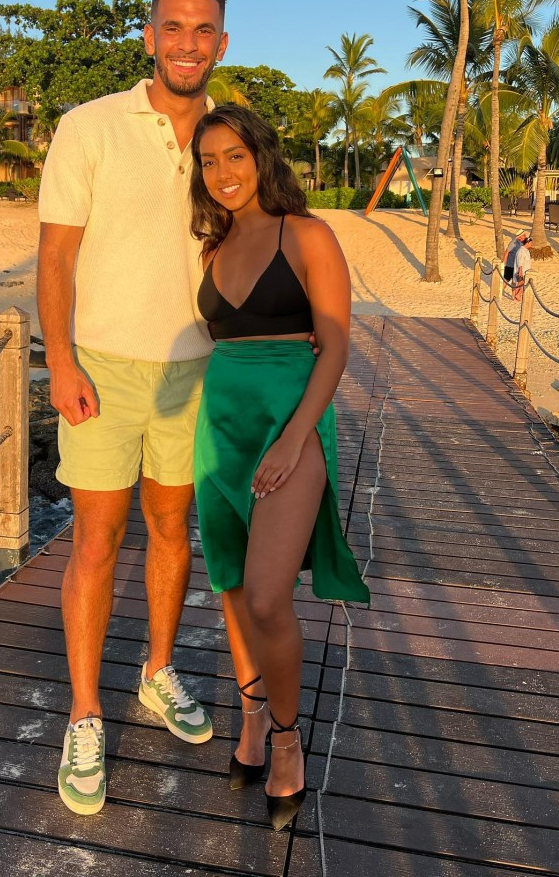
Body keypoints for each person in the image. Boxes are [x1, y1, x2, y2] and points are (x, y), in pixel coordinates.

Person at [36, 0, 229, 817]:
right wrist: (61, 363)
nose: (187, 43)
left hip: (197, 369)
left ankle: (156, 672)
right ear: (149, 36)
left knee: (170, 528)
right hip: (104, 367)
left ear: (221, 42)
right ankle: (84, 715)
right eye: (173, 27)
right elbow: (55, 257)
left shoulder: (232, 137)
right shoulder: (90, 126)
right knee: (96, 539)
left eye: (203, 30)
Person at [190, 105, 370, 831]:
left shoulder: (308, 234)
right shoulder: (210, 247)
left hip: (289, 426)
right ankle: (253, 718)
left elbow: (334, 345)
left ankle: (289, 740)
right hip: (219, 428)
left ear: (262, 155)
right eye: (208, 162)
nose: (223, 173)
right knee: (231, 587)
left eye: (235, 155)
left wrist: (298, 438)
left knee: (268, 597)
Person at [503, 229, 527, 294]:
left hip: (517, 265)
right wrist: (504, 263)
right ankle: (499, 292)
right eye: (524, 235)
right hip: (510, 264)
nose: (525, 236)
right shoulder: (514, 242)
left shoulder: (524, 243)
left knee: (514, 281)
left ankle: (513, 296)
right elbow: (507, 252)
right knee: (506, 280)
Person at [512, 235, 533, 302]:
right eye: (530, 243)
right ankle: (517, 295)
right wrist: (520, 271)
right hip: (522, 270)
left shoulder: (525, 250)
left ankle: (516, 296)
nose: (531, 244)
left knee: (520, 283)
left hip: (525, 270)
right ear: (527, 243)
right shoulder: (521, 251)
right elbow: (520, 261)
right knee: (522, 283)